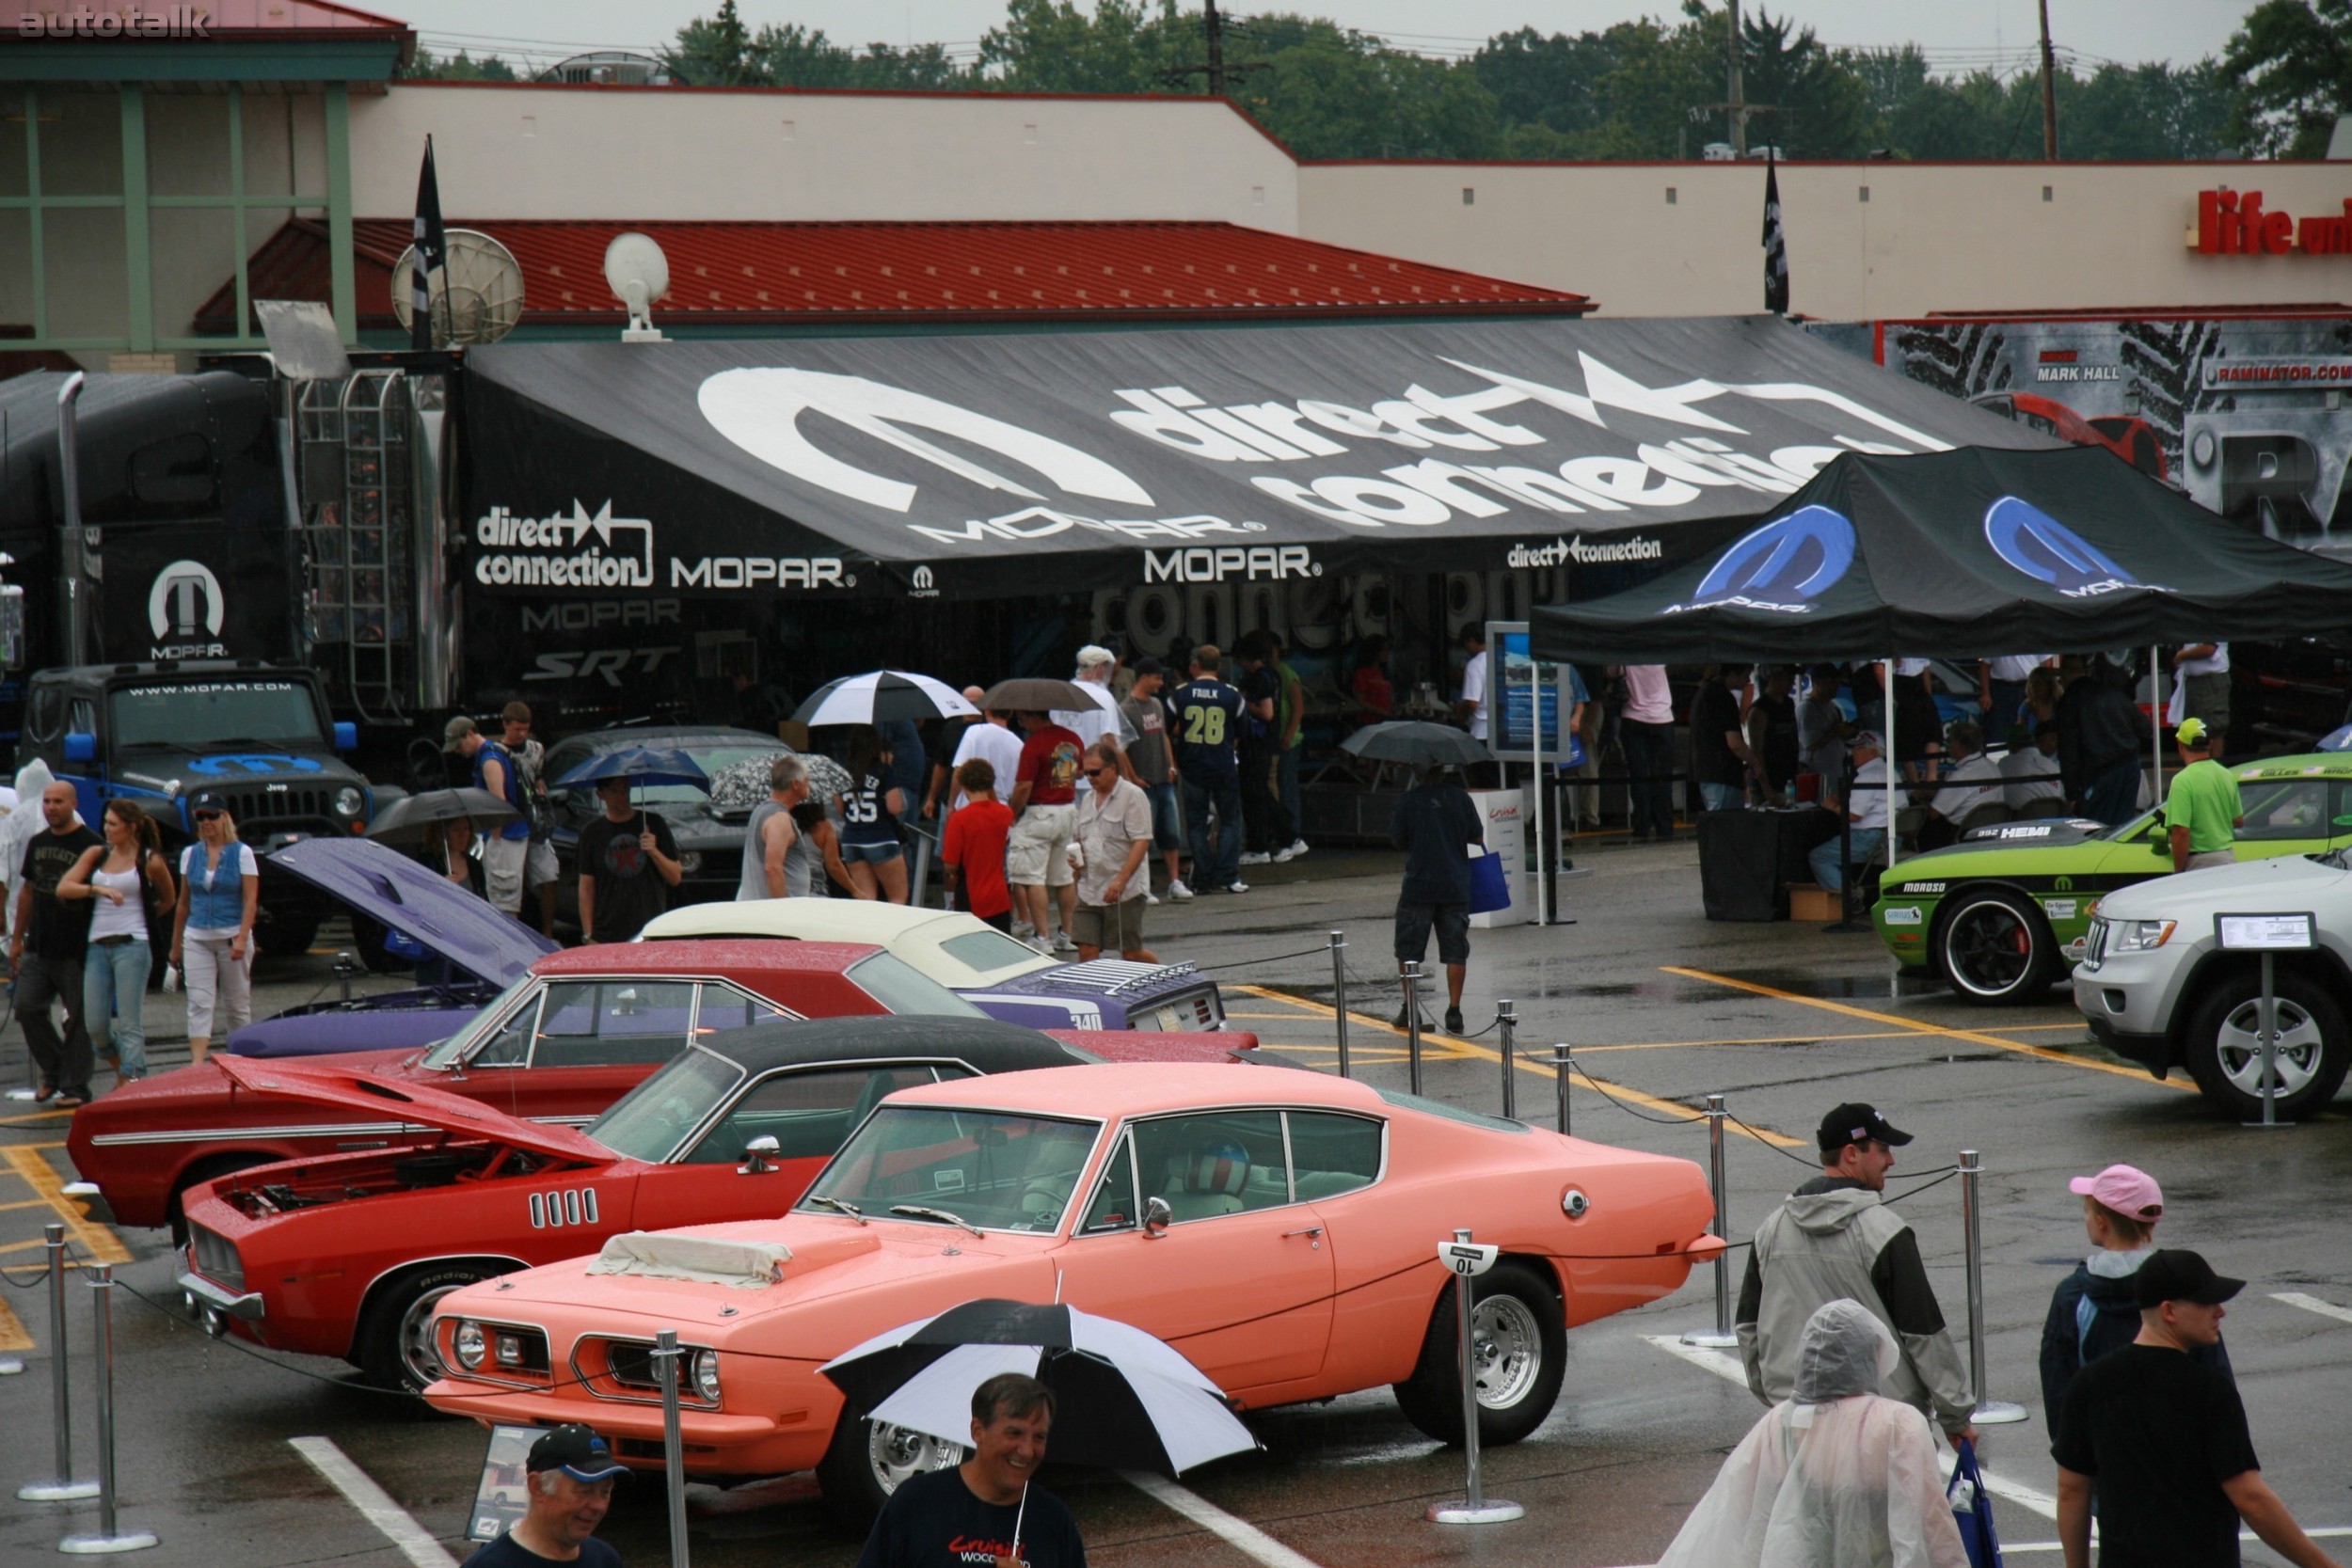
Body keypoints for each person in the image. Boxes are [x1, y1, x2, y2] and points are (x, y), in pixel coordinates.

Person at [2055, 1250, 2342, 1568]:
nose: (2220, 1312)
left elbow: (2071, 1491)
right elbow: (2251, 1498)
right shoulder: (2209, 1391)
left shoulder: (2089, 1384)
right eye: (2207, 1302)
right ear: (2169, 1311)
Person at [1655, 1298, 1970, 1568]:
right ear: (1870, 1355)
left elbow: (1747, 1519)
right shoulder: (1897, 1424)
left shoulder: (1779, 1424)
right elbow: (1931, 1523)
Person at [1736, 1102, 1977, 1446]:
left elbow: (1748, 1327)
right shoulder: (1885, 1231)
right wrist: (1956, 1416)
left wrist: (1777, 1399)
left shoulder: (1771, 1229)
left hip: (1796, 1421)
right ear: (1851, 1153)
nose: (1891, 1161)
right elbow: (1923, 1333)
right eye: (1882, 1150)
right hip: (1881, 1425)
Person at [2039, 1164, 2231, 1449]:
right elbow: (2216, 1375)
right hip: (2180, 1456)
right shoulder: (2183, 1283)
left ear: (2102, 1221)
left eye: (2088, 1212)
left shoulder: (2074, 1295)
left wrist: (2071, 1453)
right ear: (2150, 1223)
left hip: (2104, 1458)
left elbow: (2058, 1380)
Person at [855, 1372, 1086, 1568]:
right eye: (1014, 1433)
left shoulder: (1053, 1520)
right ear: (978, 1431)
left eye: (1039, 1437)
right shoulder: (917, 1502)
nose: (1027, 1451)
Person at [58, 800, 174, 1086]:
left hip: (133, 945)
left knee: (129, 1021)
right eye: (106, 823)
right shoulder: (97, 854)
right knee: (95, 1024)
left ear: (131, 826)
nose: (106, 829)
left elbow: (169, 898)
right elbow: (64, 887)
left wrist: (146, 918)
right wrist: (97, 889)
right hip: (97, 945)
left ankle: (134, 1081)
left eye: (113, 824)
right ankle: (125, 1069)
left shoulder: (149, 860)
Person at [12, 783, 103, 1103]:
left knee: (78, 1019)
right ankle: (54, 1070)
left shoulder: (92, 844)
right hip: (39, 943)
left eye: (58, 802)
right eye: (47, 801)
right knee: (27, 1007)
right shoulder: (38, 843)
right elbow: (28, 890)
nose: (51, 807)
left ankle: (75, 1086)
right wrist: (16, 939)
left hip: (77, 947)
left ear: (73, 804)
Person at [1391, 763, 1483, 1035]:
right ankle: (1454, 1012)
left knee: (1408, 951)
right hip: (1454, 885)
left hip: (1419, 885)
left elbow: (1397, 840)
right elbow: (1476, 836)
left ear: (1418, 772)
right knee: (1456, 950)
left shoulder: (1408, 801)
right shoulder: (1460, 798)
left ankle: (1411, 1009)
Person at [168, 791, 258, 1069]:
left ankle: (241, 1059)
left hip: (231, 935)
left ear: (225, 818)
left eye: (212, 816)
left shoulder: (242, 852)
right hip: (197, 936)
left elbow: (250, 899)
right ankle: (196, 1062)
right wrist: (175, 945)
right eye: (201, 817)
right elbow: (183, 902)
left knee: (236, 1004)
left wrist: (243, 937)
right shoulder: (190, 854)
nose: (207, 822)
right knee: (199, 1002)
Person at [462, 1421, 626, 1568]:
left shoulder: (605, 1559)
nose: (598, 1505)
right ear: (538, 1486)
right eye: (584, 1491)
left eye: (605, 1492)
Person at [1008, 708, 1085, 954]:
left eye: (1022, 718)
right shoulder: (1072, 738)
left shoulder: (1034, 744)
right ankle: (1067, 933)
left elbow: (1024, 787)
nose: (1022, 723)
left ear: (1033, 717)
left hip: (1039, 812)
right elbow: (1079, 771)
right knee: (1064, 877)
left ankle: (1042, 936)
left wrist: (1012, 813)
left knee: (1032, 878)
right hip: (1067, 809)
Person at [1071, 740, 1155, 962]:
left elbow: (1142, 840)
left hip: (1124, 890)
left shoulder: (1132, 796)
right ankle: (1095, 995)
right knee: (1087, 950)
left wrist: (1121, 880)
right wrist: (1076, 860)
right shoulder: (1088, 800)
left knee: (1130, 953)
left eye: (1095, 772)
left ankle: (1168, 982)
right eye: (1086, 773)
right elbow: (1080, 838)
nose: (1090, 778)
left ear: (1112, 769)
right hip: (1089, 888)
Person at [1172, 646, 1247, 895]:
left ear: (1195, 665)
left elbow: (1167, 726)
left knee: (1196, 825)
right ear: (1219, 667)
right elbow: (1244, 731)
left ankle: (1202, 879)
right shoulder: (1232, 695)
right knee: (1230, 821)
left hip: (1192, 766)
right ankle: (1229, 876)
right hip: (1224, 766)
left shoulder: (1181, 694)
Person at [574, 775, 681, 943]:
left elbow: (675, 877)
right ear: (601, 795)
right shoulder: (592, 833)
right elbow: (586, 887)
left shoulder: (654, 824)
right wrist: (588, 935)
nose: (622, 796)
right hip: (607, 933)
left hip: (648, 932)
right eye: (615, 791)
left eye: (625, 789)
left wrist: (654, 851)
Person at [447, 716, 532, 917]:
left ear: (470, 734)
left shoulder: (489, 760)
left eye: (458, 746)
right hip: (511, 835)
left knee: (503, 903)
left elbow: (498, 802)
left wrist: (495, 836)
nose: (458, 752)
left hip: (504, 838)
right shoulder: (496, 751)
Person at [1120, 657, 1188, 901]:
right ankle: (1142, 885)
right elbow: (1120, 747)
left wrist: (1171, 765)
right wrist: (1132, 777)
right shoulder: (1126, 709)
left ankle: (1174, 881)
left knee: (1170, 833)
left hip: (1163, 779)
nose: (1160, 683)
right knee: (1142, 837)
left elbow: (1164, 736)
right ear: (1145, 677)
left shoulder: (1158, 705)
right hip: (1144, 783)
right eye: (1157, 677)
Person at [2057, 654, 2144, 825]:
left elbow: (2068, 750)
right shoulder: (2110, 692)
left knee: (2097, 829)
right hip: (2129, 765)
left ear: (2064, 675)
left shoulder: (2069, 701)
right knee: (2124, 827)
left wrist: (2072, 793)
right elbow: (2145, 728)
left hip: (2101, 773)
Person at [501, 702, 560, 936]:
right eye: (517, 729)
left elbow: (538, 778)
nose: (522, 734)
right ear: (506, 725)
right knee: (514, 883)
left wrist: (543, 796)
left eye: (525, 729)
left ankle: (547, 933)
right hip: (511, 824)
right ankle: (519, 933)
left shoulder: (536, 749)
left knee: (549, 875)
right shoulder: (497, 752)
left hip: (536, 822)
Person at [1232, 633, 1289, 865]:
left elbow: (1267, 713)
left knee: (1257, 792)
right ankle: (1273, 840)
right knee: (1258, 792)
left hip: (1259, 742)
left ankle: (1271, 841)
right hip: (1260, 742)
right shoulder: (1270, 675)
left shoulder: (1261, 678)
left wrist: (1243, 703)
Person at [837, 725, 911, 903]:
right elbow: (894, 807)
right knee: (898, 898)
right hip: (881, 837)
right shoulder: (884, 771)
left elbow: (840, 809)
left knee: (866, 900)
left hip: (851, 840)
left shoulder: (842, 773)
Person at [942, 758, 1016, 932]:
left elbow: (950, 864)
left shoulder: (959, 819)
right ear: (991, 782)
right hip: (1000, 895)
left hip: (969, 894)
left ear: (964, 785)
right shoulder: (1005, 813)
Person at [1811, 732, 1890, 895]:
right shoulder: (1890, 772)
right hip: (1890, 838)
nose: (1852, 752)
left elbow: (1853, 816)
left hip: (1870, 839)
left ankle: (1850, 899)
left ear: (1873, 752)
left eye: (1858, 748)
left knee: (1819, 857)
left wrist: (1831, 806)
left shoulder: (1868, 776)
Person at [739, 754, 826, 899]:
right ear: (796, 784)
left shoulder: (760, 811)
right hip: (774, 910)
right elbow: (773, 868)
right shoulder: (779, 819)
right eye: (807, 780)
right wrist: (781, 910)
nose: (809, 785)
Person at [2166, 717, 2242, 873]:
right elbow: (2238, 820)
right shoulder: (2226, 774)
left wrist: (2178, 871)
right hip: (2227, 857)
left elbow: (2181, 832)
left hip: (2199, 862)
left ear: (2180, 745)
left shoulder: (2182, 780)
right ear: (2211, 744)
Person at [1918, 719, 2005, 850]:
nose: (1948, 745)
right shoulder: (1992, 767)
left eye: (1950, 741)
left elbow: (1933, 813)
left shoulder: (1960, 776)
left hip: (1962, 833)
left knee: (1924, 821)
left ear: (1957, 745)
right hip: (1990, 828)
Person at [935, 700, 1025, 822]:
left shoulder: (975, 732)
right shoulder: (1019, 744)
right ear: (1010, 714)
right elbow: (1018, 784)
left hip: (970, 807)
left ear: (987, 711)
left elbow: (960, 769)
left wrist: (951, 805)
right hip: (1001, 811)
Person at [1616, 663, 1677, 840]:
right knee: (1663, 776)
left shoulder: (1627, 653)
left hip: (1633, 716)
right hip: (1663, 717)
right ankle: (1665, 826)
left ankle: (1642, 826)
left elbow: (1611, 672)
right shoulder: (1659, 653)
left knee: (1639, 775)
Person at [1691, 664, 1760, 812]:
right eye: (1745, 675)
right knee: (1725, 823)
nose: (1748, 680)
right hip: (1723, 773)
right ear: (1732, 675)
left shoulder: (1704, 692)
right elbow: (1734, 742)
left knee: (1719, 822)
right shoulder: (1723, 697)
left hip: (1707, 771)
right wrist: (1754, 762)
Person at [1269, 633, 1310, 863]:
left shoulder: (1287, 674)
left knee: (1287, 787)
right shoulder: (1271, 674)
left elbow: (1298, 708)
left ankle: (1293, 835)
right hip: (1277, 739)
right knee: (1280, 787)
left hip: (1289, 740)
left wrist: (1289, 734)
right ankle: (1284, 834)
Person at [1744, 665, 1801, 800]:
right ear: (1773, 677)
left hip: (1788, 778)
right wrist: (1766, 787)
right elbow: (1756, 750)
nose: (1792, 683)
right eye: (1788, 678)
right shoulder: (1760, 709)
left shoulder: (1788, 704)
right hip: (1769, 778)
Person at [1797, 664, 1849, 810]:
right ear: (1818, 683)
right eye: (1832, 682)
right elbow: (1810, 743)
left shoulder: (1833, 707)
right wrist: (1836, 732)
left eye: (1837, 683)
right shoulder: (1806, 708)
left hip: (1836, 772)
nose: (1836, 687)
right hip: (1816, 775)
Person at [2171, 641, 2232, 756]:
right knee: (2193, 729)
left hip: (2210, 680)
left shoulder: (2211, 623)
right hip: (2192, 681)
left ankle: (2213, 769)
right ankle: (2197, 766)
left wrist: (2181, 655)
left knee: (2214, 728)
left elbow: (2208, 649)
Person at [1980, 653, 2051, 736]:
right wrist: (1986, 693)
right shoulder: (1993, 639)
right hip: (2000, 689)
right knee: (1998, 729)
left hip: (2029, 687)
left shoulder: (2036, 639)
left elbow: (2045, 664)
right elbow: (1985, 666)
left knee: (2029, 729)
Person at [2003, 721, 2066, 814]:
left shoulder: (2004, 764)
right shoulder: (2052, 766)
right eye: (2043, 740)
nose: (2050, 743)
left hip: (2020, 821)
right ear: (2036, 742)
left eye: (2053, 739)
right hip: (2051, 817)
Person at [1454, 625, 1489, 742]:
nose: (1466, 649)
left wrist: (1460, 711)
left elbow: (1472, 703)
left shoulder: (1475, 664)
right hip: (1501, 729)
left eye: (1465, 645)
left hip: (1481, 730)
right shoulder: (1499, 658)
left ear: (1471, 641)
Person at [1349, 634, 1393, 722]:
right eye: (1383, 650)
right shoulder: (1362, 673)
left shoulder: (1383, 673)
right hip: (1368, 722)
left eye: (1388, 649)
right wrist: (1382, 713)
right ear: (1375, 651)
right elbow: (1360, 702)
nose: (1387, 653)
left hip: (1385, 721)